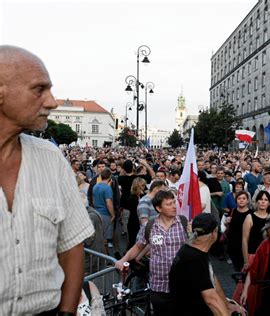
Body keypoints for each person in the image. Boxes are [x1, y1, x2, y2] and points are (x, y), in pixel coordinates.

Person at [0, 45, 94, 314]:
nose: (52, 102)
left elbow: (72, 246)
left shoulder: (50, 158)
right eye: (39, 89)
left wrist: (67, 311)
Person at [115, 190, 187, 316]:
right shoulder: (149, 226)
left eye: (174, 202)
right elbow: (138, 247)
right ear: (159, 208)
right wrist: (123, 260)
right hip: (159, 286)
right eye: (169, 204)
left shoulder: (183, 224)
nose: (174, 206)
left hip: (181, 285)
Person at [169, 213, 243, 316]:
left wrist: (227, 305)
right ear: (214, 233)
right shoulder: (193, 258)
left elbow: (213, 279)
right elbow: (211, 298)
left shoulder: (196, 250)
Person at [226, 191, 252, 271]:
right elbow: (229, 228)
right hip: (233, 246)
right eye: (239, 198)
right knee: (237, 270)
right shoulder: (232, 211)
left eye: (244, 198)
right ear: (236, 200)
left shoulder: (251, 213)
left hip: (247, 246)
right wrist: (226, 223)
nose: (241, 200)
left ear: (247, 200)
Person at [126, 177, 147, 248]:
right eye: (142, 185)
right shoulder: (132, 198)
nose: (144, 187)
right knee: (133, 242)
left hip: (139, 223)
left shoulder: (142, 196)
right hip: (134, 223)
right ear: (137, 186)